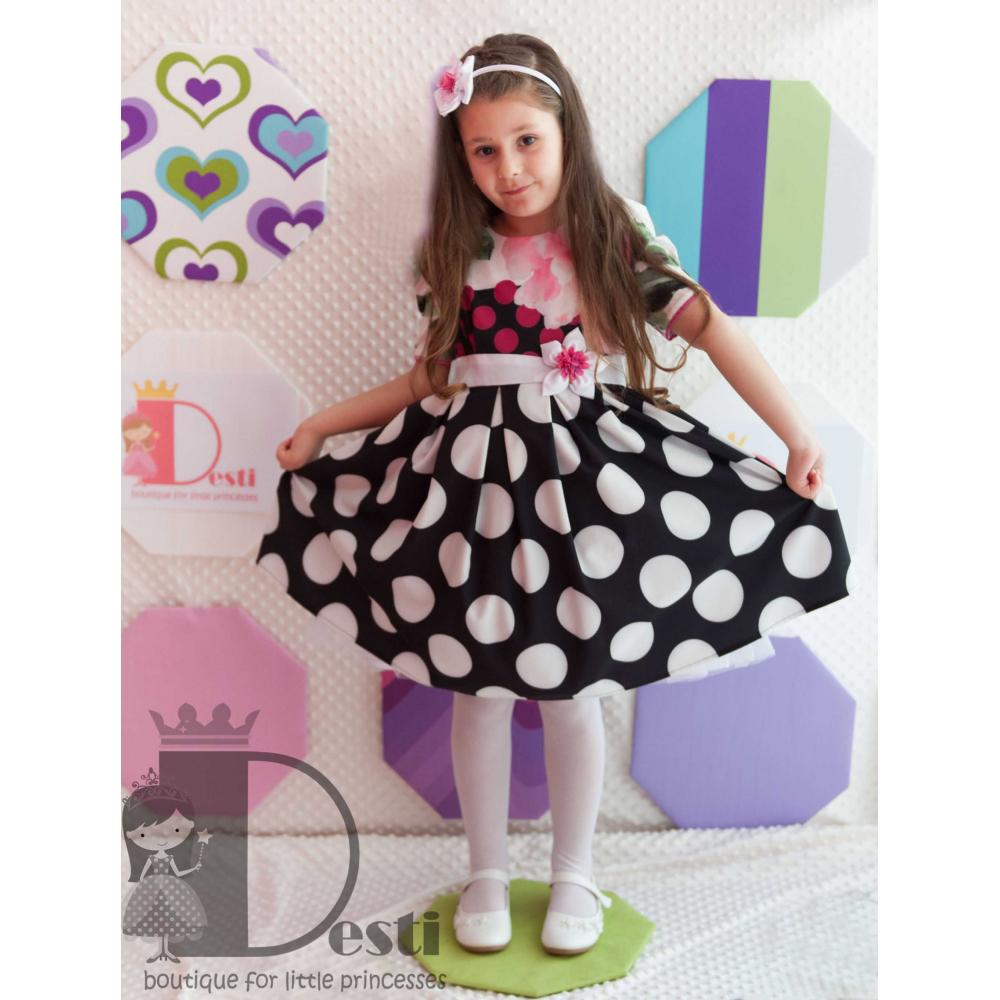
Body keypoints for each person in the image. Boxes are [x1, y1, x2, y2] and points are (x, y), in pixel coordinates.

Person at [254, 33, 852, 957]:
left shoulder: (609, 236)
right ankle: (487, 873)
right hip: (472, 499)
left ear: (567, 130)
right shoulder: (454, 254)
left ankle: (575, 872)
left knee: (572, 689)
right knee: (479, 690)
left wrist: (796, 434)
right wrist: (326, 426)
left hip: (582, 495)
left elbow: (709, 326)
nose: (509, 168)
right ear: (461, 158)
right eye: (484, 149)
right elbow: (430, 381)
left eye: (527, 140)